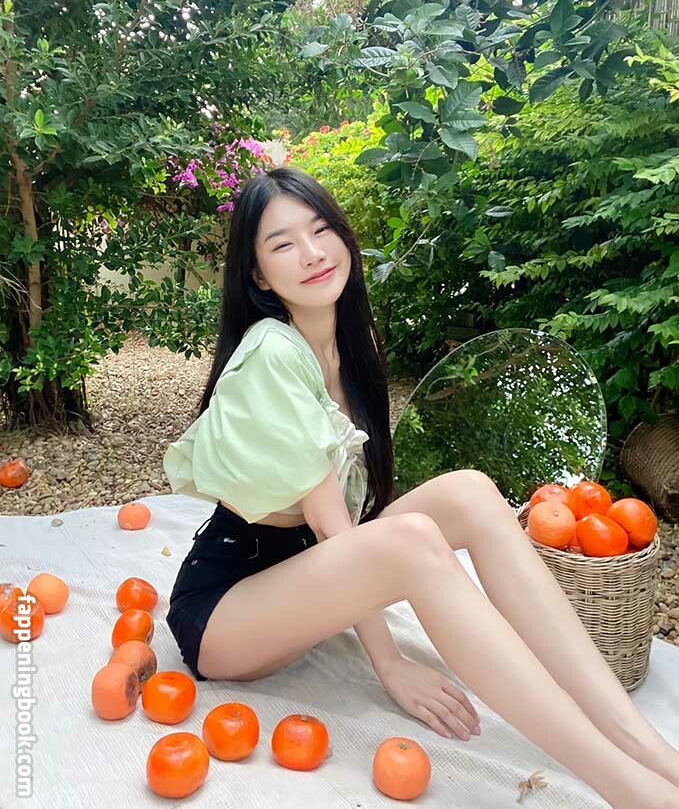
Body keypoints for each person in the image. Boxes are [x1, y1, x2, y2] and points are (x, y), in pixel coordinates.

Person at [164, 166, 679, 808]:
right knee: (409, 540)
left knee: (470, 492)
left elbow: (351, 520)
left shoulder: (351, 343)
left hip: (304, 581)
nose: (313, 253)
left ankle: (641, 742)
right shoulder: (274, 351)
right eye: (283, 243)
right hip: (227, 611)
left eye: (321, 230)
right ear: (259, 275)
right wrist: (390, 664)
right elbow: (332, 527)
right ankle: (632, 789)